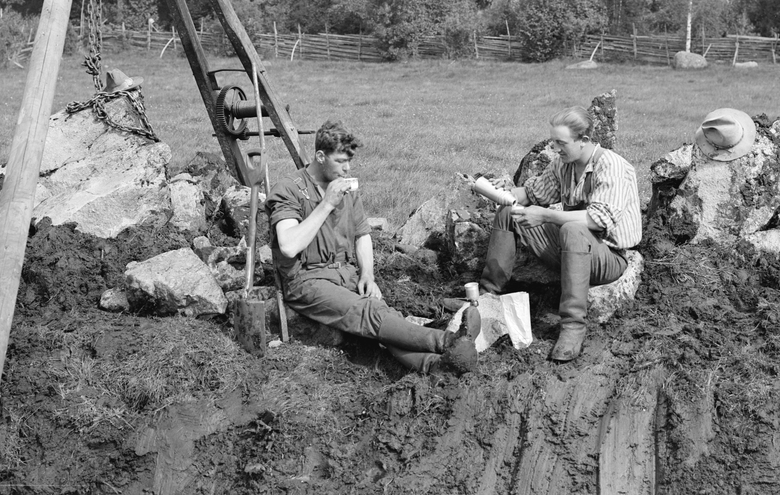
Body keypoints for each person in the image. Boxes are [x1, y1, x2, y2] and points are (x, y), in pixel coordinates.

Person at [268, 121, 479, 374]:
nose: (347, 169)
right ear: (320, 157)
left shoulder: (346, 187)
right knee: (369, 312)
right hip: (307, 280)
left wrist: (367, 274)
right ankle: (447, 341)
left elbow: (362, 235)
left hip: (346, 274)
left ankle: (434, 366)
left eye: (350, 161)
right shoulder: (289, 189)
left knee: (383, 316)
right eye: (340, 161)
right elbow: (289, 246)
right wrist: (326, 204)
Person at [470, 107, 642, 362]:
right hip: (571, 249)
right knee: (509, 212)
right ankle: (488, 295)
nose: (555, 148)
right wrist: (501, 192)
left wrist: (546, 215)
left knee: (573, 228)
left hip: (608, 257)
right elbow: (531, 195)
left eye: (561, 143)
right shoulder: (564, 164)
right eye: (553, 141)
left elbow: (596, 219)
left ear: (583, 141)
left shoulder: (612, 166)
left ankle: (573, 327)